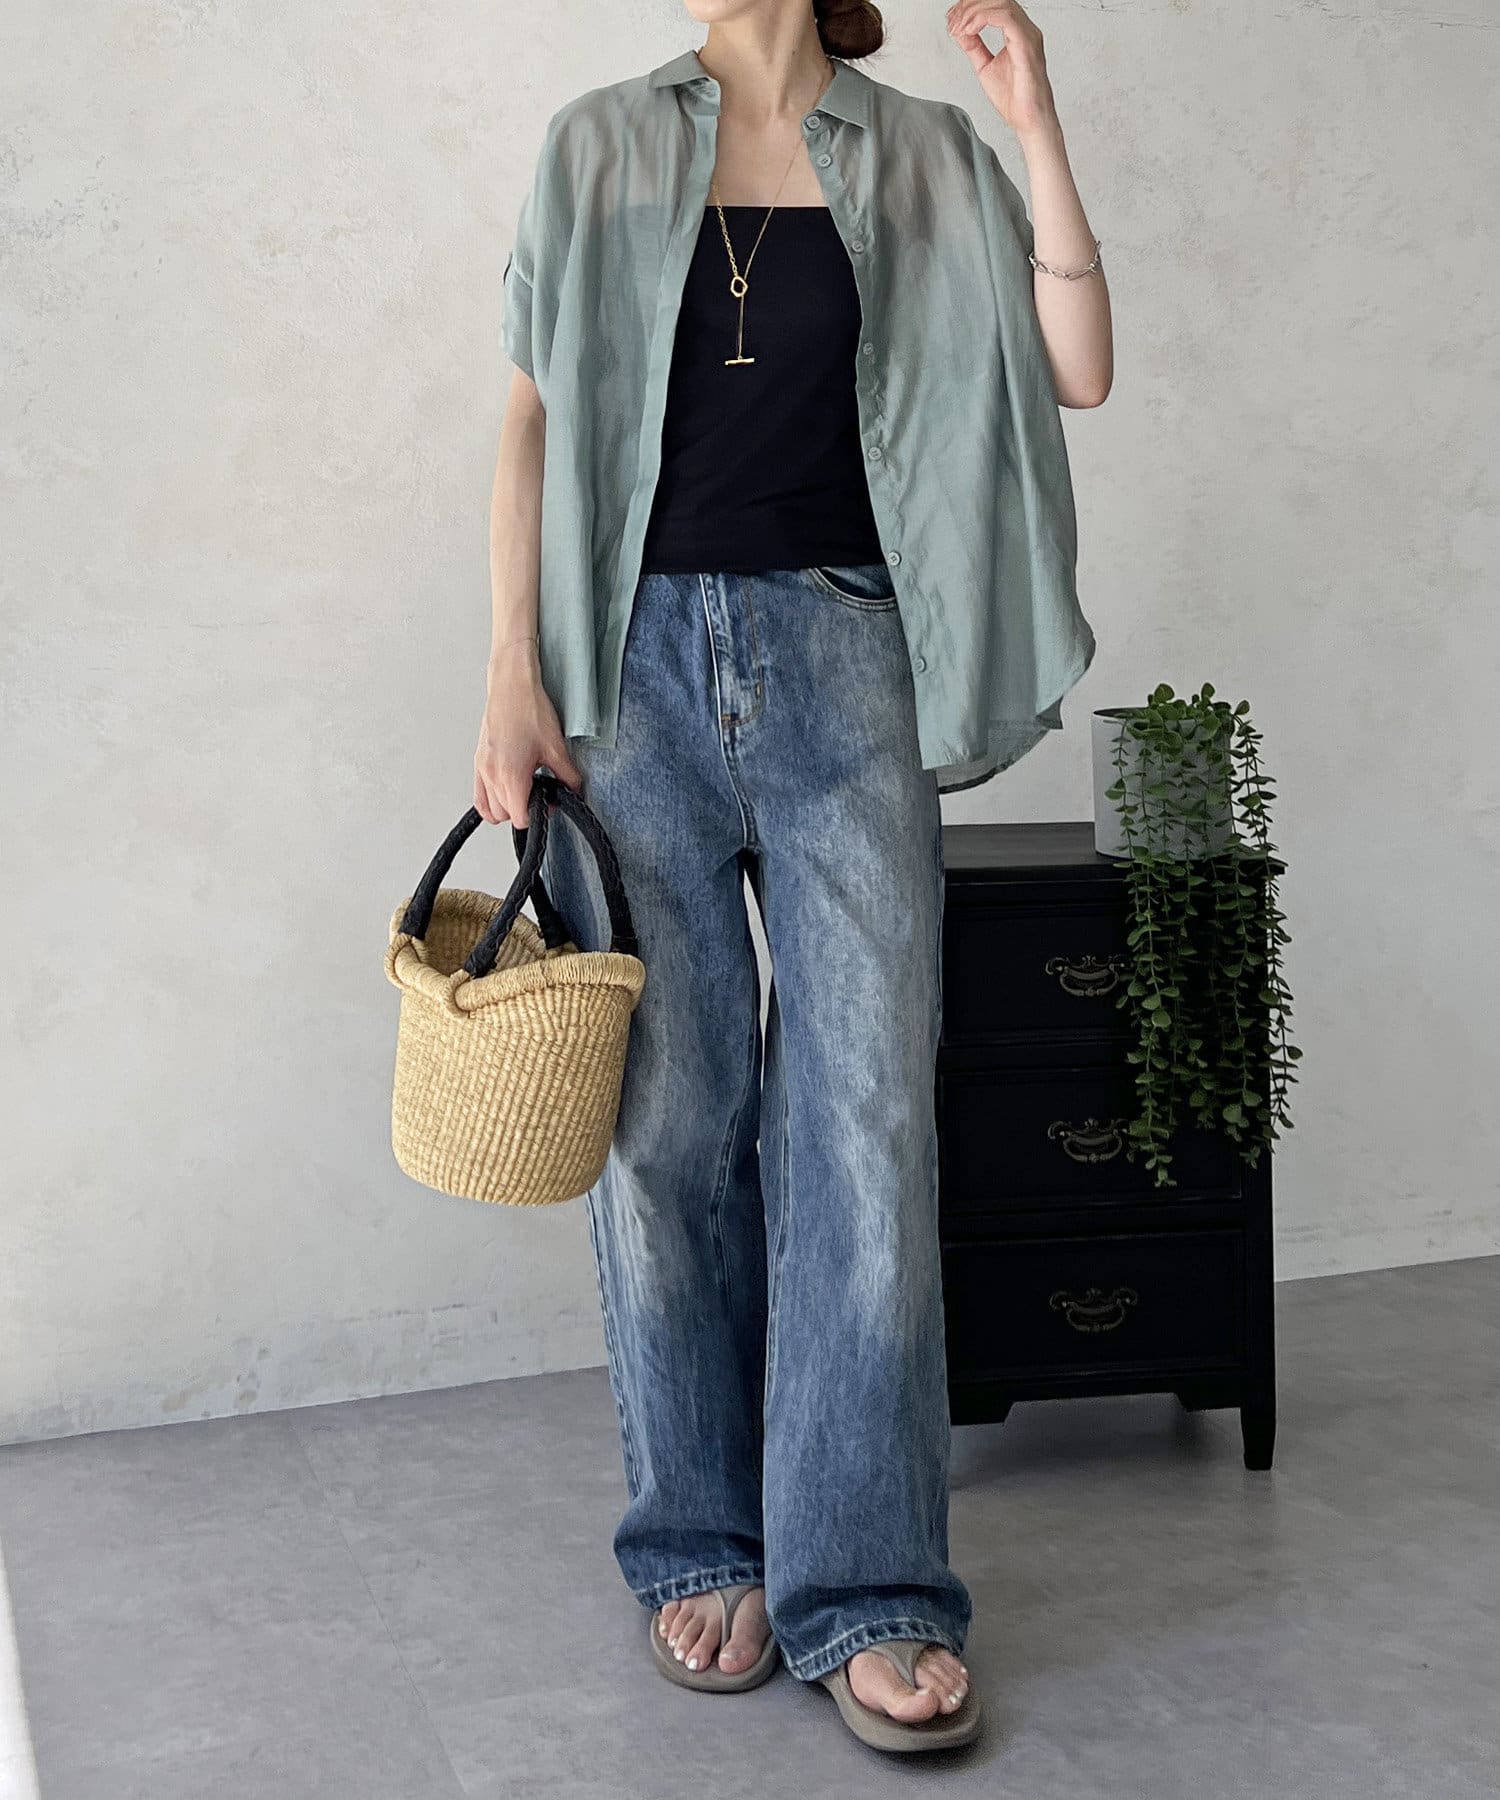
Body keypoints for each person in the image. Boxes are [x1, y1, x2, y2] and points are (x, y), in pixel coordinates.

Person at [474, 0, 1110, 1755]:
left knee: (864, 1135)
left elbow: (1077, 368)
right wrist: (509, 672)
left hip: (849, 668)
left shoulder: (923, 154)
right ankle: (705, 1540)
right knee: (667, 1132)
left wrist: (1035, 119)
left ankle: (869, 1584)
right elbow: (528, 416)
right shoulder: (599, 144)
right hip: (629, 687)